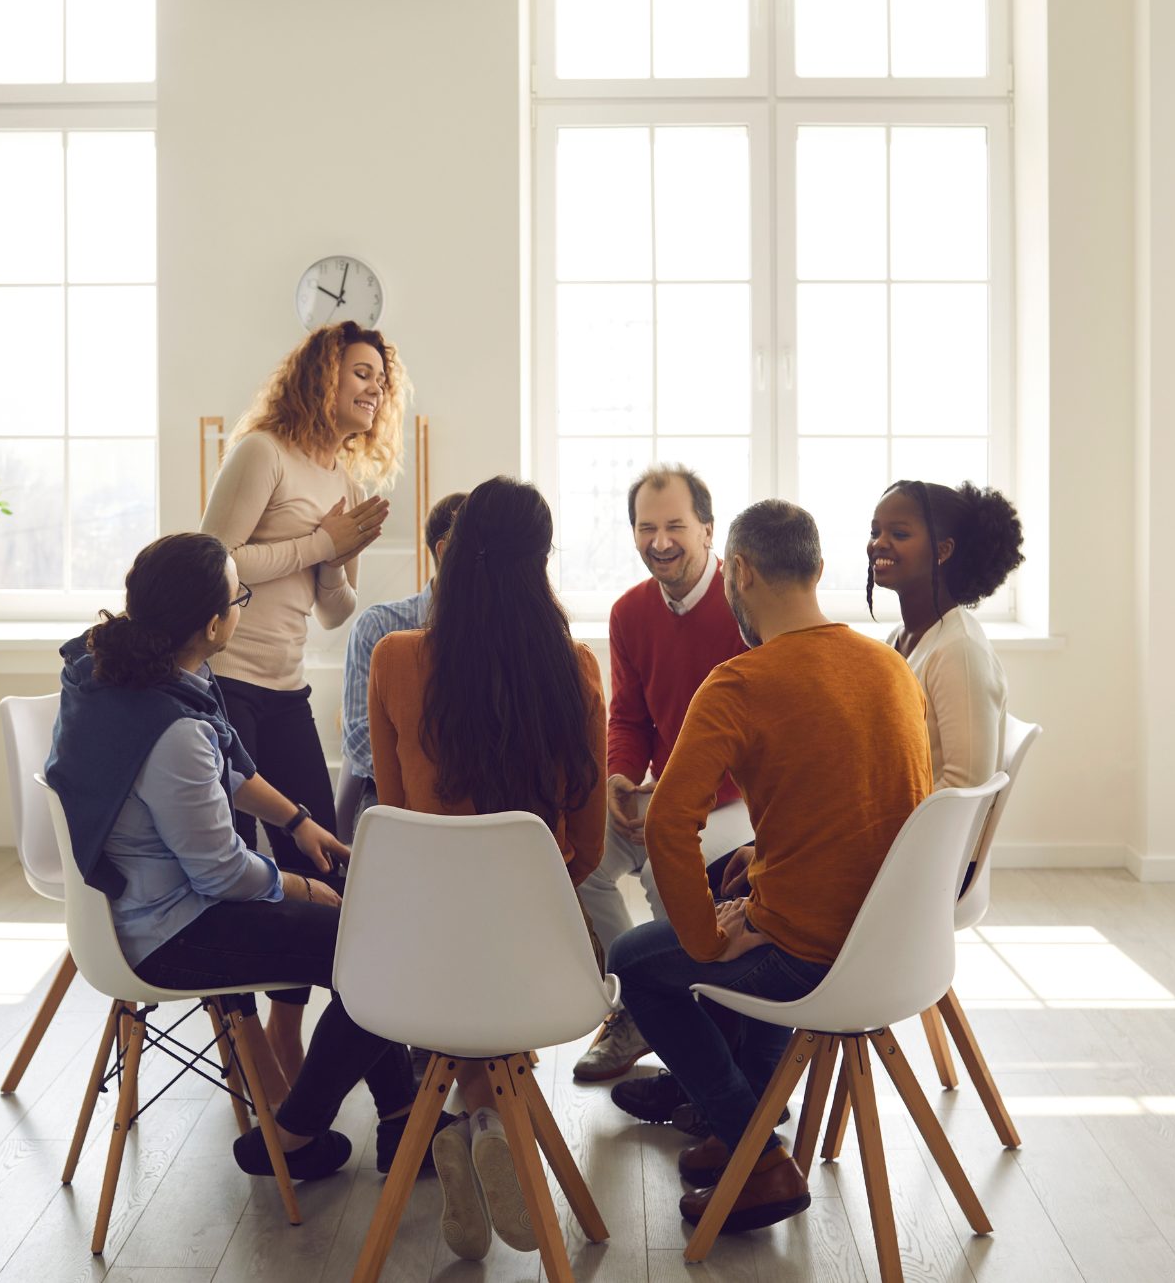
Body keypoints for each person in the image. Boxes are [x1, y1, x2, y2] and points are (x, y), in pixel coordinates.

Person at [45, 532, 435, 1182]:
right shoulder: (173, 729)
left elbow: (222, 765)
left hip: (133, 905)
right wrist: (307, 889)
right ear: (213, 622)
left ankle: (399, 1123)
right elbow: (222, 871)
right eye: (239, 596)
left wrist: (298, 820)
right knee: (377, 949)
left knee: (364, 939)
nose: (242, 607)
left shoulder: (111, 677)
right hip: (173, 933)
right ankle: (294, 1132)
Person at [607, 500, 931, 1235]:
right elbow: (889, 800)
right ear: (818, 569)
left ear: (740, 570)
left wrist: (706, 938)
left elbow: (666, 823)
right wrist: (763, 864)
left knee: (634, 960)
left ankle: (756, 1152)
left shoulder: (741, 680)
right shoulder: (890, 666)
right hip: (892, 947)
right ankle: (742, 1127)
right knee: (738, 876)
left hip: (807, 955)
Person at [367, 475, 607, 1261]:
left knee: (454, 949)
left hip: (422, 965)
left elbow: (398, 829)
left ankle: (473, 1120)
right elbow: (591, 849)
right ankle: (496, 1123)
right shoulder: (575, 671)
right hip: (539, 960)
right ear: (541, 561)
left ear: (454, 554)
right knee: (499, 953)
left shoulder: (394, 658)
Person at [200, 320, 408, 1080]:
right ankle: (247, 1044)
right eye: (360, 373)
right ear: (320, 377)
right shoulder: (263, 453)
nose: (374, 389)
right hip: (222, 688)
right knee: (228, 870)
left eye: (381, 380)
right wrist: (322, 544)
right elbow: (210, 560)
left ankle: (288, 1031)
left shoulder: (338, 478)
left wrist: (339, 558)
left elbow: (331, 610)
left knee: (319, 862)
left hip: (285, 688)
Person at [573, 464, 753, 1084]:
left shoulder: (746, 607)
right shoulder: (629, 613)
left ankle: (682, 1016)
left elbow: (758, 735)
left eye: (676, 525)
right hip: (660, 790)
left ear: (708, 530)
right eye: (646, 528)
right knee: (582, 863)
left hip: (735, 796)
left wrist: (675, 800)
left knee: (662, 871)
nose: (660, 540)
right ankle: (636, 1007)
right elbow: (628, 718)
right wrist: (621, 778)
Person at [868, 479, 1026, 793]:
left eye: (898, 533)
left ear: (943, 550)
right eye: (875, 532)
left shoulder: (960, 650)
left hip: (920, 837)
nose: (879, 544)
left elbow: (965, 786)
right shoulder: (899, 639)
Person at [336, 490, 467, 842]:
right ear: (446, 551)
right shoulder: (378, 626)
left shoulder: (499, 628)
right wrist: (426, 782)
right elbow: (359, 737)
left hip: (474, 789)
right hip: (389, 790)